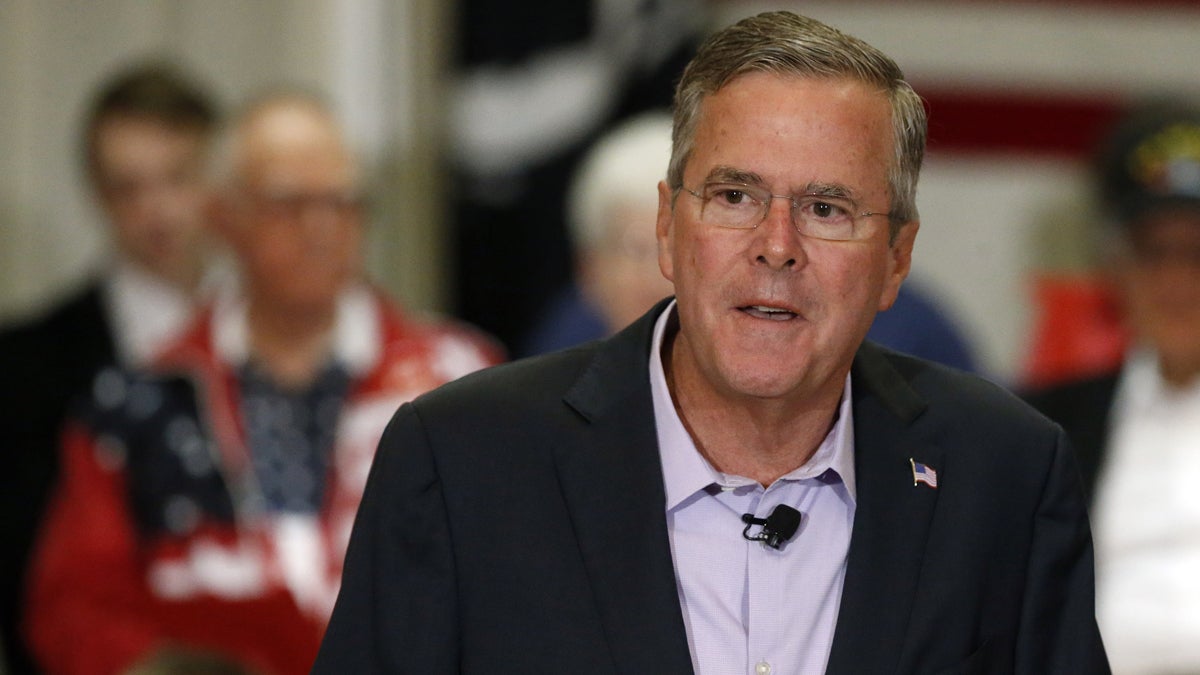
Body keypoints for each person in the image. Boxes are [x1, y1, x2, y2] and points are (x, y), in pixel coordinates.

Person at [315, 10, 1107, 673]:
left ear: (896, 259)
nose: (776, 245)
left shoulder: (1006, 475)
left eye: (828, 208)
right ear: (668, 227)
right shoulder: (459, 461)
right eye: (735, 195)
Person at [23, 92, 502, 675]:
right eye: (289, 204)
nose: (322, 229)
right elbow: (72, 606)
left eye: (343, 203)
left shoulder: (460, 379)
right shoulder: (142, 399)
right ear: (226, 217)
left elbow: (517, 576)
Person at [0, 61, 218, 675]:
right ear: (95, 194)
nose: (157, 211)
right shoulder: (22, 367)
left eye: (178, 177)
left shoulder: (262, 344)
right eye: (128, 187)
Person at [1024, 100, 1200, 673]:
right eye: (1155, 254)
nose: (1178, 281)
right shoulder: (1048, 425)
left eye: (1198, 254)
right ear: (1116, 268)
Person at [519, 112, 678, 357]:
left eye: (673, 247)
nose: (656, 271)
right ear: (589, 267)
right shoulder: (557, 359)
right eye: (636, 248)